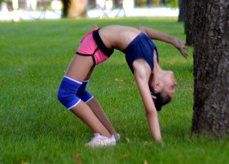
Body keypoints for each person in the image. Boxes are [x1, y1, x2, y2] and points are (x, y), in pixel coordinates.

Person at [56, 24, 188, 147]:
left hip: (95, 46)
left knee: (66, 94)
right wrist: (172, 40)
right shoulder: (154, 59)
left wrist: (159, 142)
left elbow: (151, 111)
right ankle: (112, 134)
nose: (175, 83)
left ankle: (104, 136)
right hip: (96, 43)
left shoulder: (142, 68)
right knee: (79, 92)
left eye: (171, 88)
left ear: (157, 87)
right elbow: (143, 29)